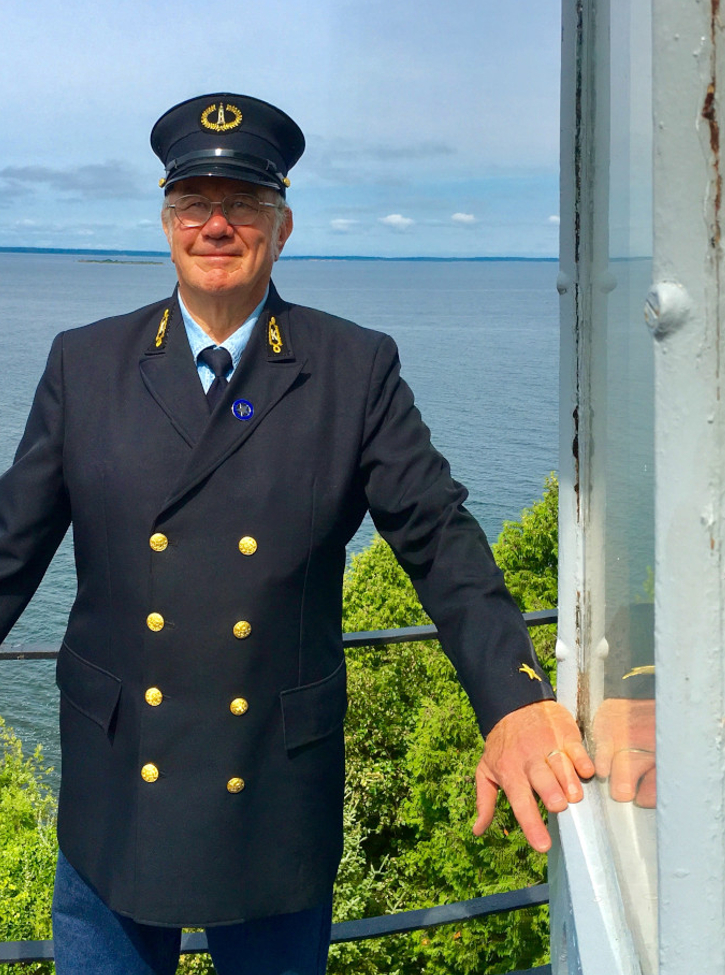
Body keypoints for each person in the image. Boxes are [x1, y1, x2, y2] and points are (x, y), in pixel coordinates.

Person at [0, 93, 596, 974]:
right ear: (166, 222)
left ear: (282, 226)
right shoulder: (85, 363)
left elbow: (438, 537)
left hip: (270, 795)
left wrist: (513, 696)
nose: (216, 224)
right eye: (194, 203)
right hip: (118, 785)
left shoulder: (352, 368)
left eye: (241, 204)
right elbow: (12, 549)